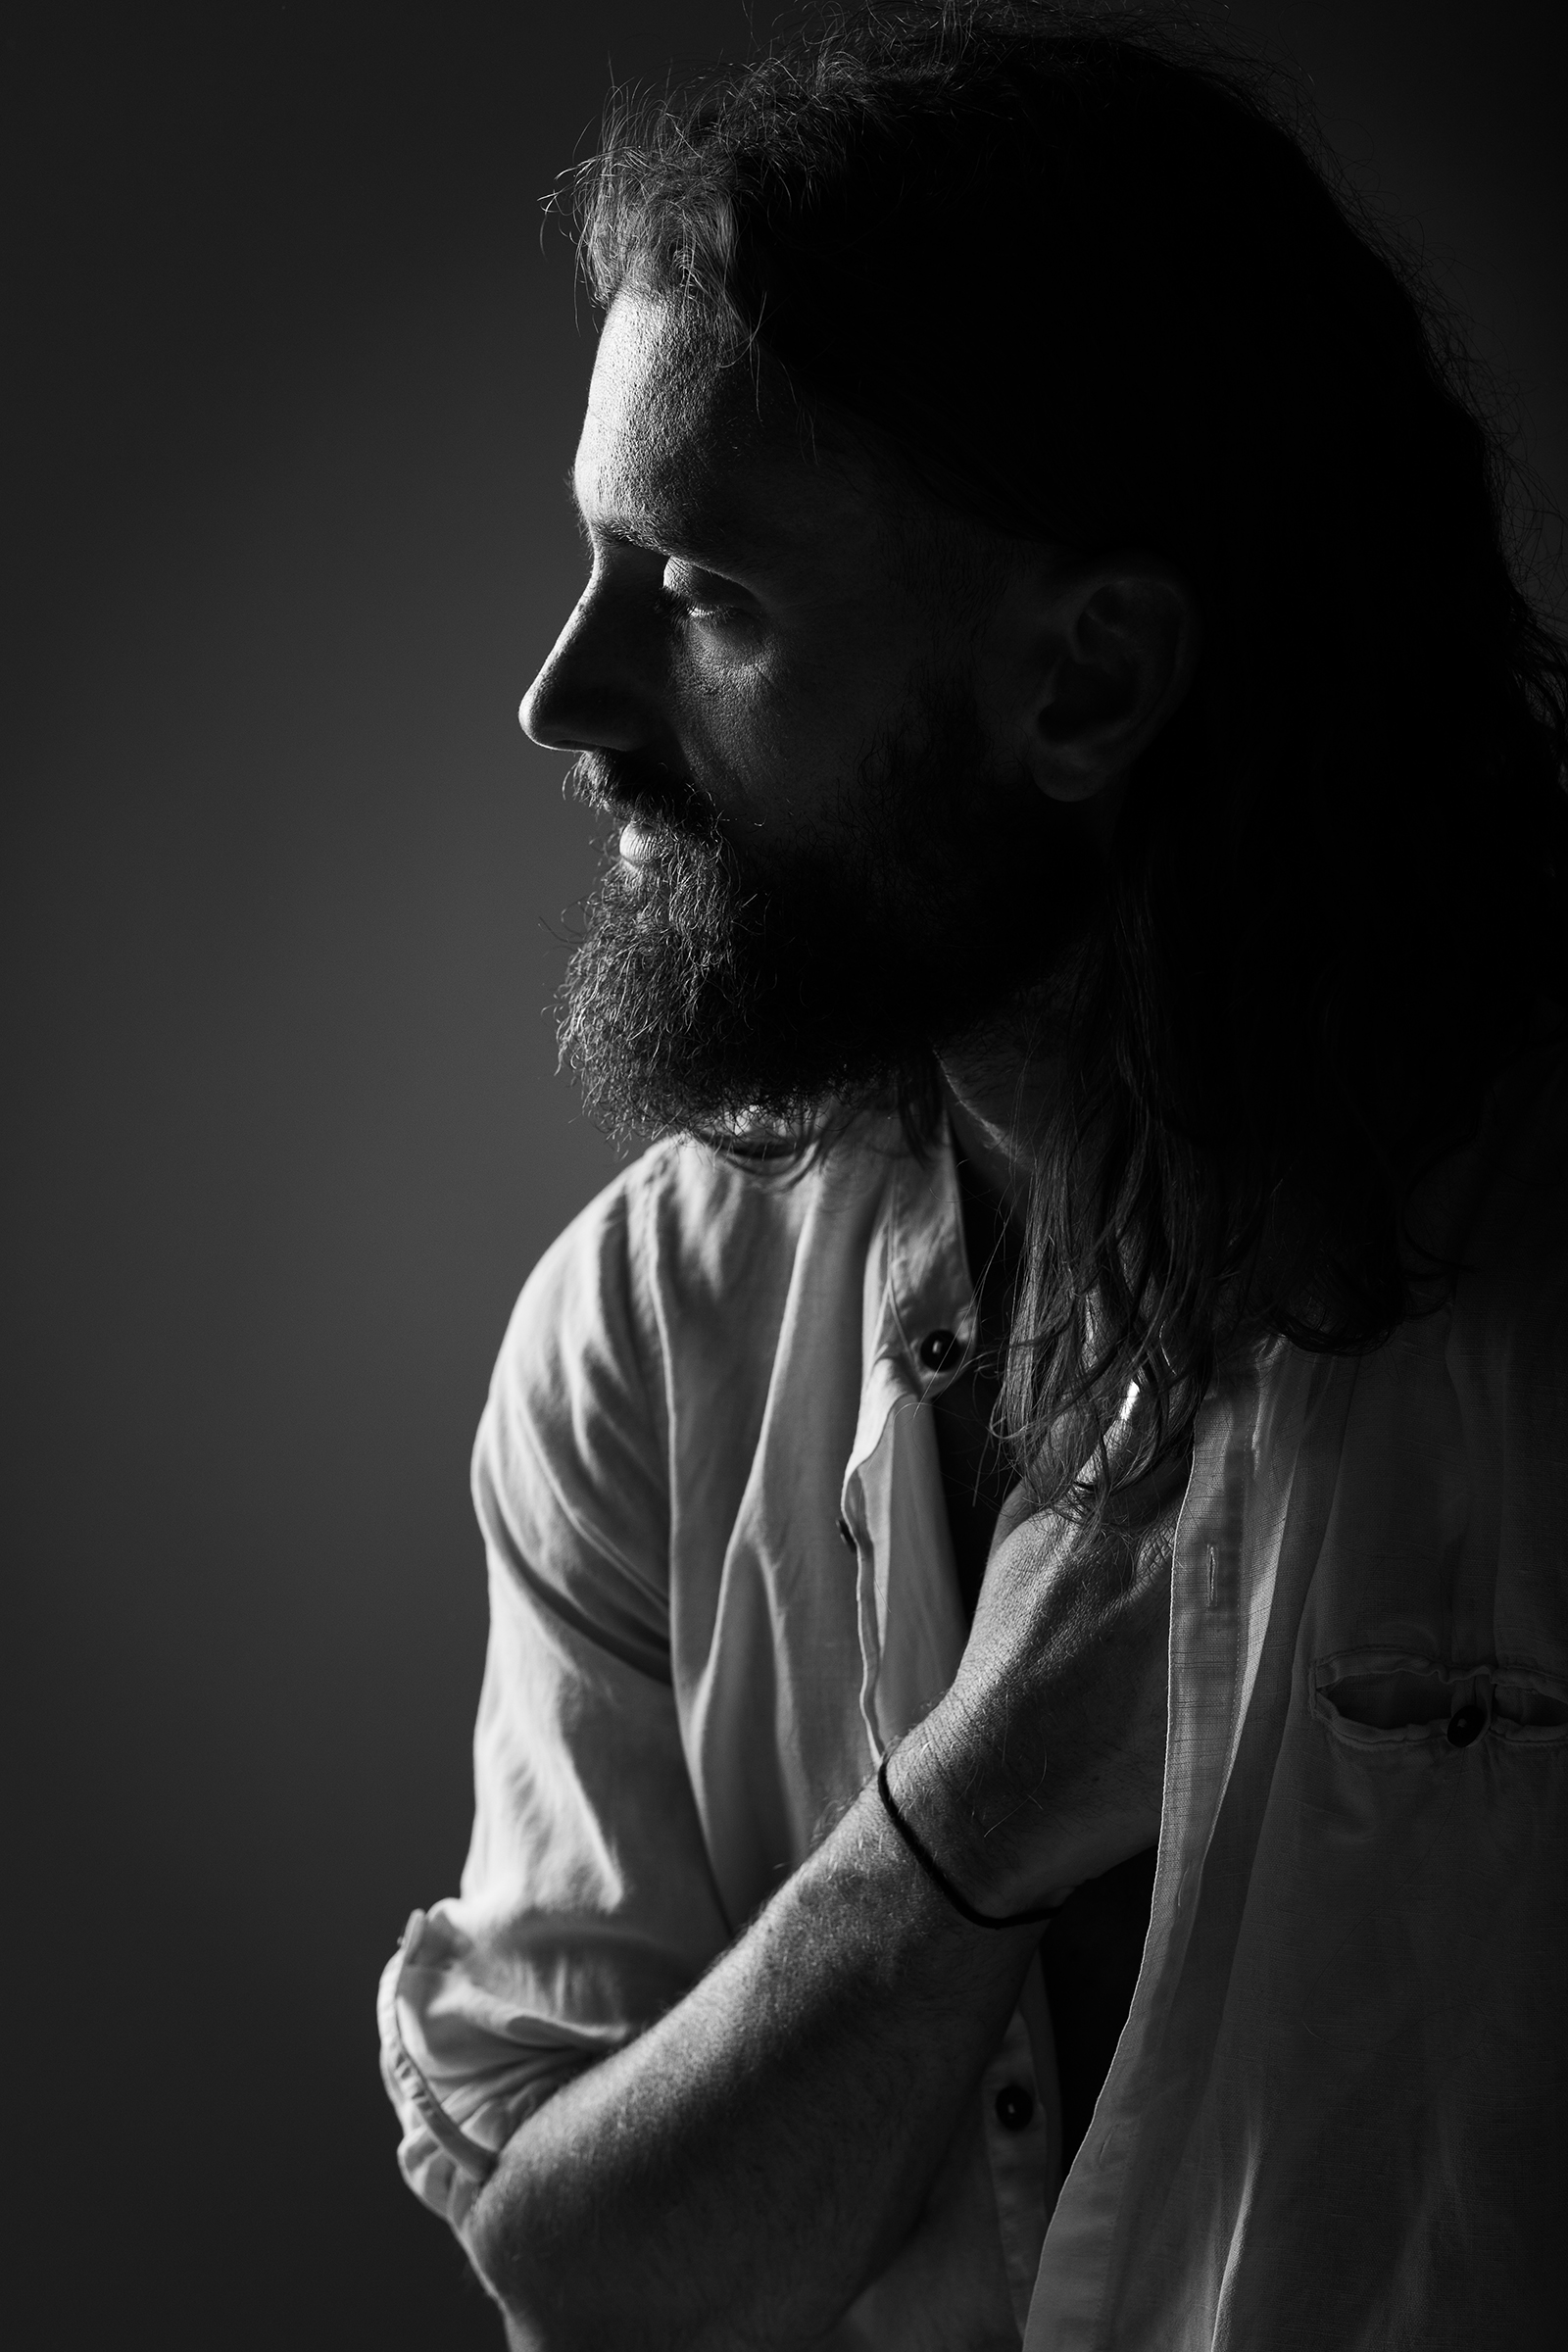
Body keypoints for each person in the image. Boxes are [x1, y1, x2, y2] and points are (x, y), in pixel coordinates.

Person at [377, 6, 1568, 2344]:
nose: (561, 699)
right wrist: (972, 1811)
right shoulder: (646, 1330)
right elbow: (585, 2290)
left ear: (1086, 685)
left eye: (696, 594)